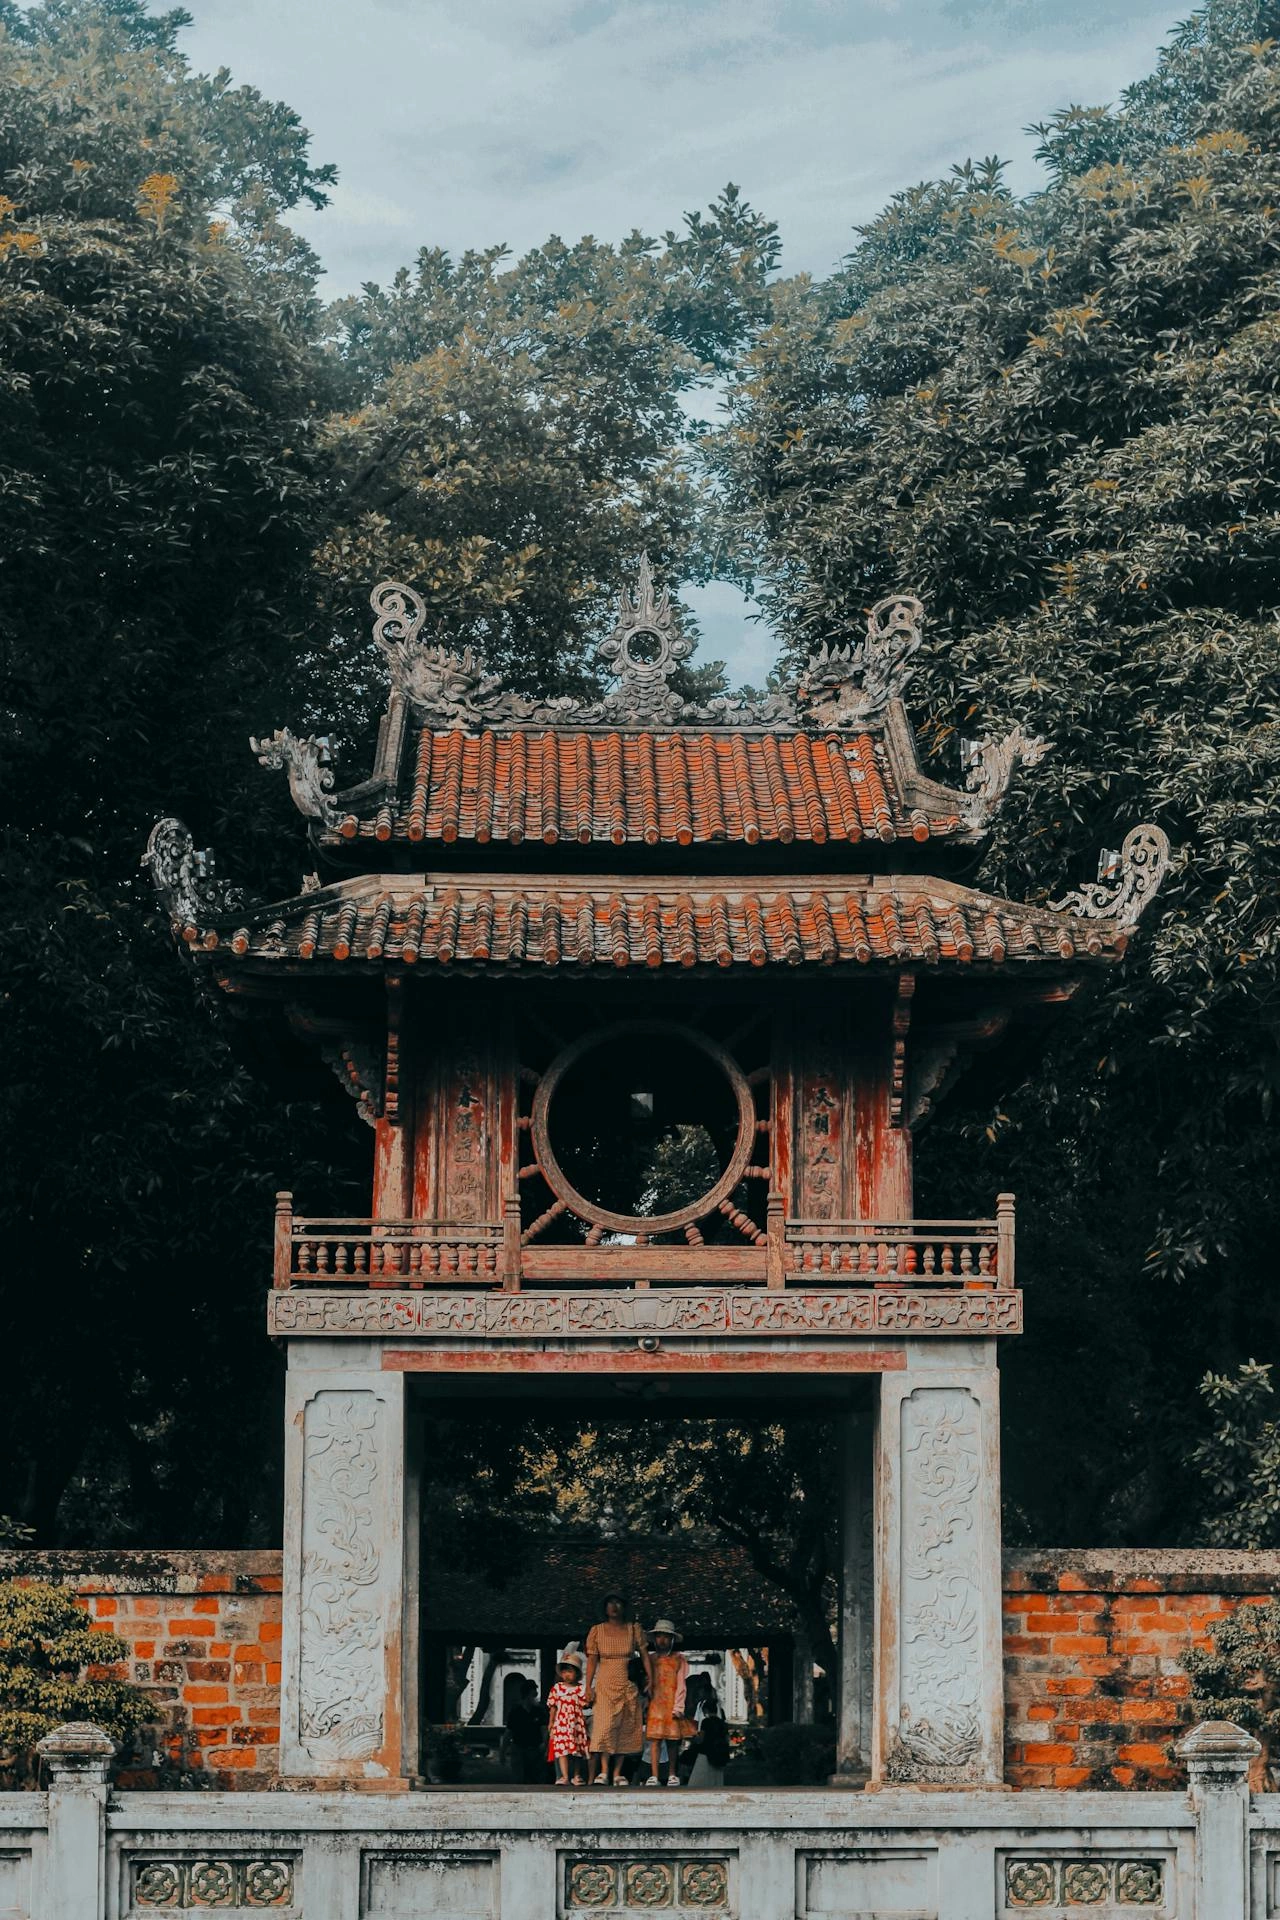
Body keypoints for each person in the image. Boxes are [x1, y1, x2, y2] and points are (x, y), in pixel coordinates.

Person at [584, 1592, 651, 1786]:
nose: (614, 1607)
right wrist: (588, 1686)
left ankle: (617, 1773)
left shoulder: (633, 1629)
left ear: (624, 1607)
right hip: (605, 1682)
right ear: (605, 1607)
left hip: (627, 1683)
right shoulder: (597, 1630)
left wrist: (651, 1679)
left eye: (618, 1603)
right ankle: (603, 1771)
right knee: (604, 1726)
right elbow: (591, 1660)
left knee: (625, 1727)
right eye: (610, 1603)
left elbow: (645, 1655)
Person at [644, 1618, 696, 1787]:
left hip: (672, 1702)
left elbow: (682, 1684)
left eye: (666, 1637)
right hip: (655, 1704)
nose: (662, 1640)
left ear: (672, 1639)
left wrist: (679, 1706)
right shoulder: (649, 1660)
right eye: (659, 1636)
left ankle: (672, 1774)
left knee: (673, 1741)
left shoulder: (679, 1659)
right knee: (655, 1741)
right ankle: (654, 1775)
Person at [545, 1650, 589, 1787]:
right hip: (561, 1722)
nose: (566, 1675)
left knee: (577, 1751)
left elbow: (585, 1703)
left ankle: (576, 1775)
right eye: (564, 1672)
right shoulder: (557, 1688)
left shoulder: (581, 1689)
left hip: (576, 1723)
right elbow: (553, 1706)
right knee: (562, 1750)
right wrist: (551, 1723)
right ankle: (564, 1776)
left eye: (570, 1671)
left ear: (576, 1673)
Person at [506, 1676, 548, 1785]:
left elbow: (543, 1729)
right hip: (519, 1748)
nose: (535, 1697)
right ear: (527, 1695)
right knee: (519, 1779)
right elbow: (509, 1732)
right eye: (533, 1694)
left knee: (536, 1778)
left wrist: (545, 1744)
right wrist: (503, 1751)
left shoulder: (539, 1711)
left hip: (535, 1749)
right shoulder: (516, 1711)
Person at [684, 1703, 731, 1787]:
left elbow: (701, 1739)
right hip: (719, 1754)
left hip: (705, 1753)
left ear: (706, 1710)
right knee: (716, 1780)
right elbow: (727, 1739)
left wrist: (695, 1738)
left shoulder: (706, 1721)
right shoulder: (722, 1723)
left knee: (699, 1780)